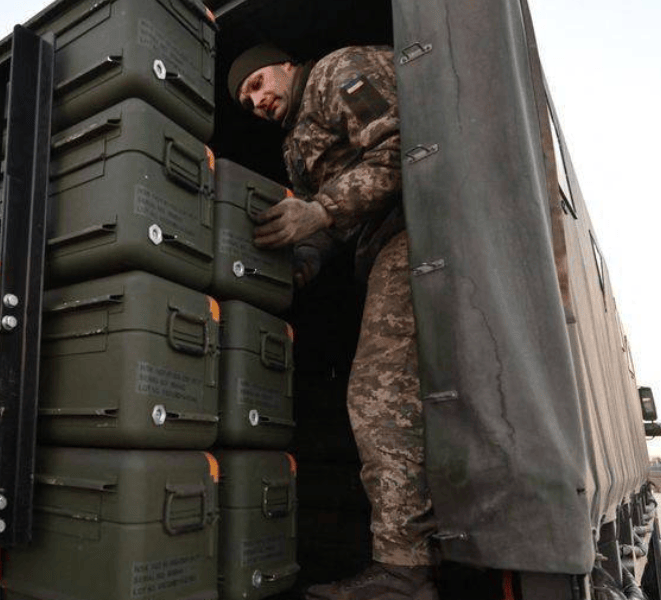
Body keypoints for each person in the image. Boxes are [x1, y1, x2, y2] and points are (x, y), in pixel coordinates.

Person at [228, 44, 437, 600]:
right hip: (381, 244)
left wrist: (318, 212)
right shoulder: (296, 148)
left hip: (420, 226)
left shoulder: (335, 73)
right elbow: (328, 227)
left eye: (259, 82)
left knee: (375, 394)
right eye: (248, 99)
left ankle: (404, 573)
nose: (257, 100)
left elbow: (401, 149)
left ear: (287, 65)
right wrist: (301, 264)